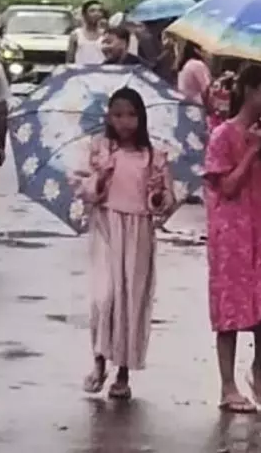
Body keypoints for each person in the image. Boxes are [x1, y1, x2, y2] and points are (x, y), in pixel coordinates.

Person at [204, 64, 261, 413]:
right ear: (249, 91)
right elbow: (226, 186)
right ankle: (227, 386)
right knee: (229, 309)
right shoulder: (223, 136)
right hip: (230, 233)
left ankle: (258, 365)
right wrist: (251, 149)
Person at [75, 87, 176, 400]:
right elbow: (84, 190)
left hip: (138, 232)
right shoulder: (100, 150)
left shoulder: (153, 156)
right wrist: (101, 178)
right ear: (108, 117)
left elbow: (164, 203)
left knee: (131, 300)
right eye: (118, 114)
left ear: (141, 117)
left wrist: (158, 194)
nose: (125, 121)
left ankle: (123, 371)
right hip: (106, 228)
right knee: (104, 298)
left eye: (131, 114)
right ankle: (98, 360)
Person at [67, 0, 106, 64]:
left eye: (99, 11)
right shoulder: (76, 34)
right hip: (81, 72)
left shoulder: (106, 35)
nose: (96, 13)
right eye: (92, 11)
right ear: (84, 14)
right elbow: (69, 60)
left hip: (100, 72)